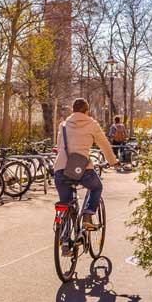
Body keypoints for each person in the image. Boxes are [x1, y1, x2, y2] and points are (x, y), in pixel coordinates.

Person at [54, 98, 118, 242]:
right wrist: (113, 161)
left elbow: (59, 146)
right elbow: (104, 144)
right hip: (82, 169)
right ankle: (88, 215)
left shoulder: (63, 125)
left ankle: (65, 241)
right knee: (96, 187)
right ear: (87, 111)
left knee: (66, 202)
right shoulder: (92, 124)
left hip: (61, 170)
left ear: (72, 110)